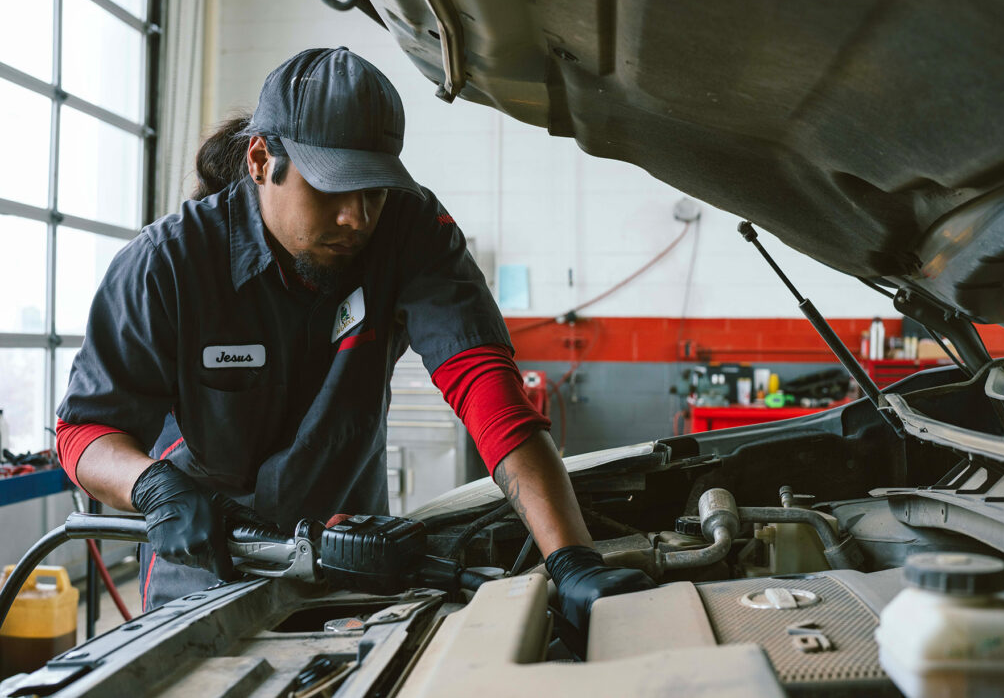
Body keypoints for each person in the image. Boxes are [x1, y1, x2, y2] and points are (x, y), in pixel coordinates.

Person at [55, 47, 653, 633]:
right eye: (332, 189)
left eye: (373, 190)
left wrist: (572, 561)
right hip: (208, 566)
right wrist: (153, 486)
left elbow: (486, 391)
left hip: (354, 562)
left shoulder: (410, 232)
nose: (356, 219)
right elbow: (83, 430)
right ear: (262, 160)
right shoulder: (167, 266)